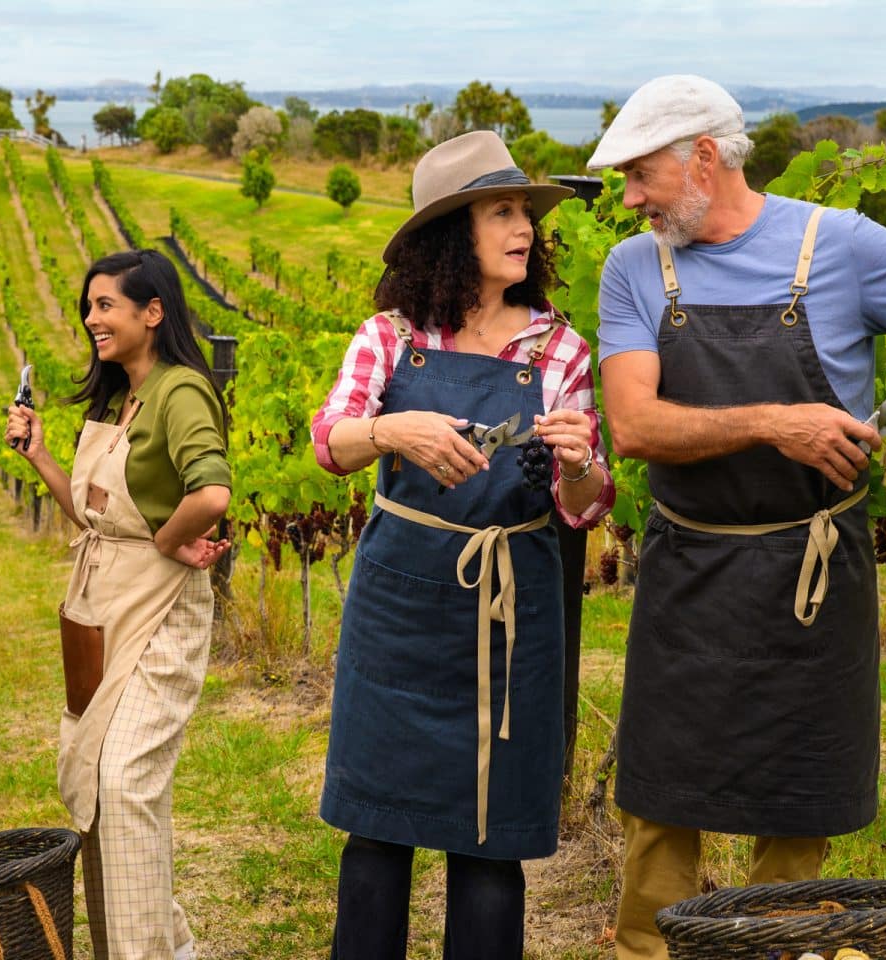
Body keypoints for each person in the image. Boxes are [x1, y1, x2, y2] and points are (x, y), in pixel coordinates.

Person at [590, 75, 886, 960]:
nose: (630, 199)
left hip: (816, 570)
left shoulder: (848, 246)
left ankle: (780, 951)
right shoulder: (636, 264)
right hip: (690, 567)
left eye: (641, 176)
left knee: (798, 799)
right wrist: (772, 421)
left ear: (704, 158)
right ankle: (650, 950)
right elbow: (634, 426)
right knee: (661, 797)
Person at [310, 130, 616, 958]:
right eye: (503, 212)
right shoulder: (390, 337)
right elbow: (330, 441)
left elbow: (583, 509)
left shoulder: (560, 350)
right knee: (375, 839)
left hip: (510, 617)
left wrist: (582, 461)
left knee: (491, 847)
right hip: (397, 610)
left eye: (526, 213)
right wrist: (390, 429)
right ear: (454, 235)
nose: (525, 228)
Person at [4, 249, 231, 960]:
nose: (91, 318)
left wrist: (169, 541)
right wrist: (41, 455)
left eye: (105, 305)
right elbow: (96, 518)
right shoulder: (121, 396)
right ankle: (159, 946)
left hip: (160, 608)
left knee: (126, 779)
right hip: (102, 603)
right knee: (102, 782)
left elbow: (212, 494)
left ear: (152, 312)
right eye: (89, 305)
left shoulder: (180, 392)